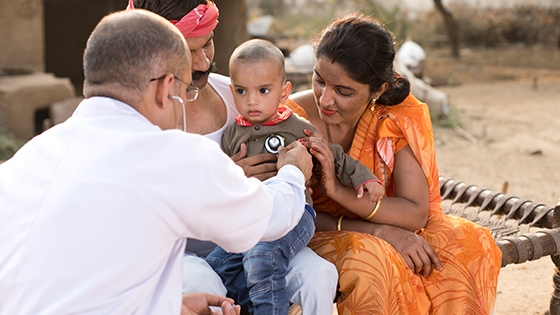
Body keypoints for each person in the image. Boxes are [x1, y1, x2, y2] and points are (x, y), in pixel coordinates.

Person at [0, 9, 314, 315]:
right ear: (166, 89)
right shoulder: (168, 155)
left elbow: (84, 280)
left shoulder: (23, 162)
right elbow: (271, 218)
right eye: (183, 92)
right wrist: (292, 170)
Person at [128, 1, 339, 313]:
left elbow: (294, 146)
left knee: (318, 276)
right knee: (204, 285)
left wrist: (297, 170)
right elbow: (139, 213)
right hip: (176, 252)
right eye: (189, 51)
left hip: (252, 238)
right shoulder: (137, 116)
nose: (202, 61)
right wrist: (226, 182)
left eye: (208, 43)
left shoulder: (238, 95)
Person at [287, 13, 503, 315]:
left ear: (378, 91)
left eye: (344, 91)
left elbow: (415, 212)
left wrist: (340, 193)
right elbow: (288, 215)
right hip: (311, 232)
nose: (326, 100)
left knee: (470, 244)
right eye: (320, 80)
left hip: (384, 223)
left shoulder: (397, 116)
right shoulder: (289, 119)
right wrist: (378, 232)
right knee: (372, 258)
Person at [205, 39, 383, 315]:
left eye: (263, 91)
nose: (252, 101)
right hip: (250, 216)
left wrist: (363, 178)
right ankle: (272, 306)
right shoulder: (232, 135)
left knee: (261, 256)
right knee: (218, 264)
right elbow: (219, 183)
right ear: (232, 91)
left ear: (284, 92)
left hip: (295, 215)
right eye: (241, 91)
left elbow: (334, 154)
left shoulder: (296, 127)